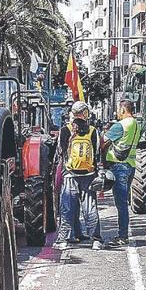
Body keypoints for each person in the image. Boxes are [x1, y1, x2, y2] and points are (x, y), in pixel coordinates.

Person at [55, 101, 104, 250]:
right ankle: (96, 240)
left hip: (70, 174)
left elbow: (60, 152)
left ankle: (63, 240)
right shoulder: (93, 131)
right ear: (85, 114)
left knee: (67, 208)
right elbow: (97, 153)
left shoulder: (65, 130)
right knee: (90, 208)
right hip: (89, 175)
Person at [102, 98, 141, 247]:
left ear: (124, 110)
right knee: (123, 202)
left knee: (121, 203)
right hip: (130, 165)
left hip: (119, 166)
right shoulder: (137, 124)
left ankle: (122, 236)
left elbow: (102, 141)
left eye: (119, 110)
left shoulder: (121, 125)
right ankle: (123, 233)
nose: (117, 113)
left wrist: (106, 133)